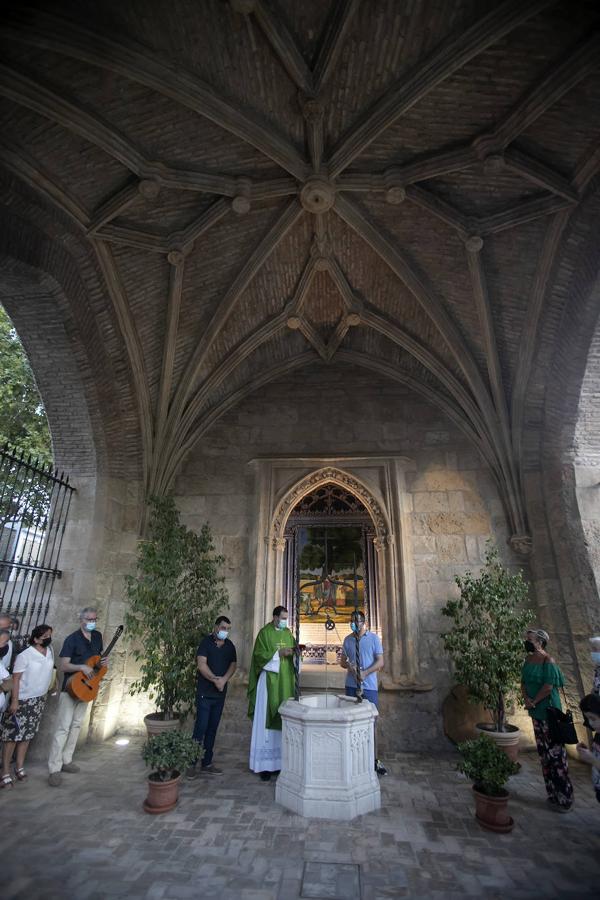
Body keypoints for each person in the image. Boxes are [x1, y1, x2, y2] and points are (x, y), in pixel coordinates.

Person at [47, 607, 106, 787]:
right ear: (81, 620)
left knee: (76, 724)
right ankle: (54, 768)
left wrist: (102, 663)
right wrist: (81, 667)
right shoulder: (71, 639)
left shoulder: (97, 637)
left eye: (94, 619)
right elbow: (64, 665)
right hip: (70, 687)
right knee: (63, 727)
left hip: (87, 688)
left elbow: (97, 661)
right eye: (89, 619)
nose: (92, 622)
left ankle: (67, 760)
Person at [521, 627, 574, 812]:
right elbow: (523, 681)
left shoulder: (548, 660)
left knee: (556, 754)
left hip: (549, 711)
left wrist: (534, 701)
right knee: (544, 753)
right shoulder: (528, 659)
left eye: (530, 639)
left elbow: (548, 686)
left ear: (540, 642)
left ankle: (564, 797)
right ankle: (552, 794)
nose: (527, 642)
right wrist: (526, 699)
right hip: (535, 711)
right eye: (527, 639)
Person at [0, 623, 54, 788]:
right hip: (23, 699)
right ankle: (5, 771)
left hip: (38, 699)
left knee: (27, 735)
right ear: (36, 638)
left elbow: (52, 670)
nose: (48, 639)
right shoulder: (26, 655)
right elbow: (15, 679)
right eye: (45, 636)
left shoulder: (49, 651)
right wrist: (15, 700)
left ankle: (20, 766)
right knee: (13, 736)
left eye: (49, 635)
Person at [248, 605, 296, 782]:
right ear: (275, 617)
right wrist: (278, 653)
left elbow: (293, 652)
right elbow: (259, 656)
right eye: (283, 618)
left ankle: (279, 764)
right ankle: (265, 766)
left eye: (286, 618)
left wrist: (295, 653)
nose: (285, 621)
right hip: (268, 684)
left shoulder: (287, 633)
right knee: (265, 723)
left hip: (284, 683)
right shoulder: (264, 633)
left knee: (282, 720)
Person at [186, 615, 237, 779]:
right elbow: (201, 664)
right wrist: (215, 680)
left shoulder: (230, 646)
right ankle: (192, 764)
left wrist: (224, 680)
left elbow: (233, 665)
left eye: (228, 629)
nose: (225, 631)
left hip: (219, 695)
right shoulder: (205, 643)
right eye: (223, 628)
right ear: (215, 627)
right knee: (200, 728)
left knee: (212, 729)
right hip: (204, 694)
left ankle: (207, 763)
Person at [340, 609, 386, 775]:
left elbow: (380, 661)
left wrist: (365, 673)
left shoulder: (373, 639)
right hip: (351, 685)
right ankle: (352, 758)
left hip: (369, 686)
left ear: (363, 622)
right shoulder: (347, 640)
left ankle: (374, 759)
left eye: (357, 620)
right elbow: (342, 661)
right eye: (352, 620)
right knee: (350, 722)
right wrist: (350, 667)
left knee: (371, 722)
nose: (354, 623)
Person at [577, 693, 600, 803]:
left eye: (593, 718)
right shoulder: (598, 735)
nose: (590, 723)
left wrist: (592, 759)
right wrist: (588, 752)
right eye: (587, 718)